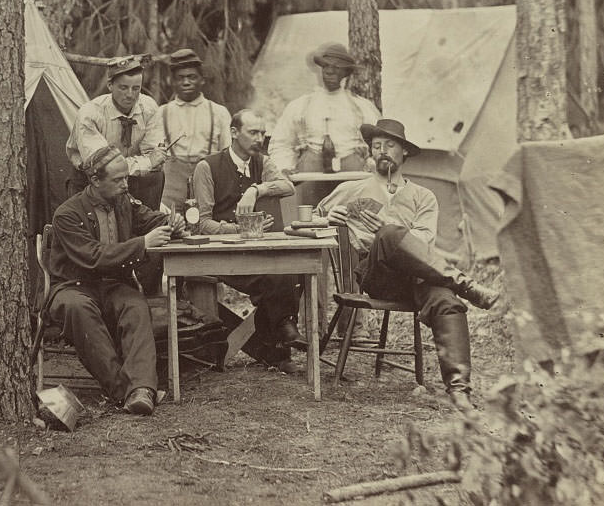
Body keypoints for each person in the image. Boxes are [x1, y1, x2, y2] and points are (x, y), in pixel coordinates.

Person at [315, 119, 500, 410]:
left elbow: (423, 247)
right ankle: (466, 284)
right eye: (377, 146)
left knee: (445, 300)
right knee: (388, 235)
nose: (382, 151)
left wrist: (389, 225)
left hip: (417, 277)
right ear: (371, 154)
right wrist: (327, 218)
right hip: (377, 276)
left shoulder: (423, 197)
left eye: (390, 145)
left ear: (404, 153)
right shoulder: (352, 188)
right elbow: (309, 218)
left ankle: (459, 391)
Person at [49, 146, 181, 416]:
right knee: (79, 309)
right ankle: (124, 391)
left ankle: (143, 389)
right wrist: (143, 243)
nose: (126, 184)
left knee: (134, 305)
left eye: (126, 178)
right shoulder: (67, 214)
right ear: (95, 181)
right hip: (73, 287)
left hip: (111, 285)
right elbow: (93, 256)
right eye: (118, 179)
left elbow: (150, 219)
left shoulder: (124, 202)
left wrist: (170, 222)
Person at [192, 109, 305, 374]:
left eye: (263, 133)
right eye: (253, 132)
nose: (259, 138)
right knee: (276, 275)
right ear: (234, 133)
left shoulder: (261, 163)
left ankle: (276, 343)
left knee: (290, 268)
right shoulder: (207, 167)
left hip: (255, 252)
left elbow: (287, 186)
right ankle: (280, 341)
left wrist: (256, 189)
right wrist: (241, 229)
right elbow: (202, 223)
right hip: (221, 255)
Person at [268, 42, 381, 205]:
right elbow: (281, 142)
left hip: (353, 177)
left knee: (352, 221)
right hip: (310, 177)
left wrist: (372, 163)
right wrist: (284, 167)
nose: (329, 71)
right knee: (312, 221)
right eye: (326, 66)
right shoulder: (300, 106)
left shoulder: (362, 107)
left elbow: (380, 143)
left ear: (346, 72)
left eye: (336, 67)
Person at [66, 56, 168, 210]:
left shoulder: (148, 108)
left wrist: (152, 161)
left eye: (136, 88)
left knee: (155, 176)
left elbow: (155, 157)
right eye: (123, 87)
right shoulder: (90, 114)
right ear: (110, 85)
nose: (130, 94)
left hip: (132, 178)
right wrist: (148, 163)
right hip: (93, 180)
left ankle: (148, 226)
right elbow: (103, 166)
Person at [158, 48, 232, 211]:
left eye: (191, 77)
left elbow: (228, 156)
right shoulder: (161, 113)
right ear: (172, 81)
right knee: (170, 228)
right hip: (171, 189)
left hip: (209, 184)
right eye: (180, 78)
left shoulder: (219, 112)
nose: (186, 82)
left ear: (202, 80)